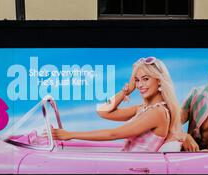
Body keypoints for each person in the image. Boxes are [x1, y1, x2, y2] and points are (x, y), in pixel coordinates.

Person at [52, 57, 182, 152]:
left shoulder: (157, 113)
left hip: (135, 169)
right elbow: (103, 111)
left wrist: (70, 134)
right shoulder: (144, 109)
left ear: (159, 81)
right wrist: (127, 90)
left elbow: (113, 134)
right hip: (127, 164)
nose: (140, 85)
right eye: (137, 80)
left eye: (146, 79)